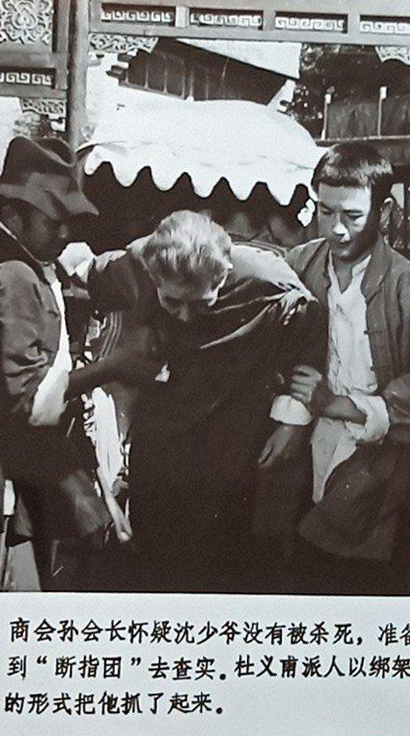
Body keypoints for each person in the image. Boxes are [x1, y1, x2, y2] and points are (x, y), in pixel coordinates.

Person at [63, 209, 326, 593]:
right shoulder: (134, 266)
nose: (186, 317)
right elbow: (79, 266)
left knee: (221, 567)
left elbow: (312, 324)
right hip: (160, 443)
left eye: (202, 303)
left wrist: (293, 420)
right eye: (172, 303)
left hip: (231, 443)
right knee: (155, 563)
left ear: (224, 274)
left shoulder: (265, 276)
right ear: (153, 277)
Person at [0, 136, 112, 591]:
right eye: (54, 222)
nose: (65, 235)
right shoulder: (13, 277)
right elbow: (31, 402)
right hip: (11, 480)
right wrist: (113, 367)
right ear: (14, 216)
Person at [285, 142, 410, 596]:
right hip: (304, 451)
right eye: (325, 211)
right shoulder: (298, 266)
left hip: (378, 465)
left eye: (353, 216)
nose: (336, 229)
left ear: (384, 211)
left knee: (364, 585)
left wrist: (337, 404)